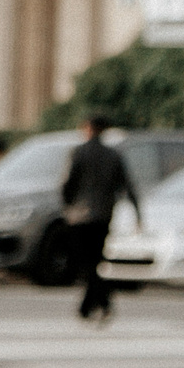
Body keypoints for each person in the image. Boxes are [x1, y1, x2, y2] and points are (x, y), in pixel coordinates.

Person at [61, 116, 142, 325]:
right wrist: (138, 214)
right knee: (94, 261)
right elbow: (127, 186)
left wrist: (67, 206)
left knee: (84, 263)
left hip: (80, 215)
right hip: (104, 215)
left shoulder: (78, 153)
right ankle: (89, 306)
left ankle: (102, 301)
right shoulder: (112, 155)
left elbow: (67, 184)